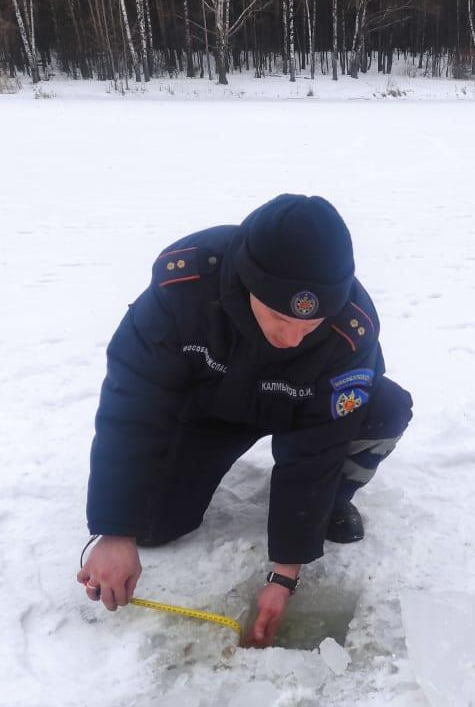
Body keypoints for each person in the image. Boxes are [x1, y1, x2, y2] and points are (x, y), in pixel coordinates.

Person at [77, 194, 412, 646]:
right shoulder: (184, 292)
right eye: (278, 316)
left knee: (384, 408)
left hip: (301, 411)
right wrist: (115, 529)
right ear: (248, 282)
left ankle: (332, 502)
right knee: (152, 527)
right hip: (209, 410)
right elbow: (132, 406)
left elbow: (318, 448)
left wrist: (285, 575)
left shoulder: (347, 333)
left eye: (309, 324)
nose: (293, 338)